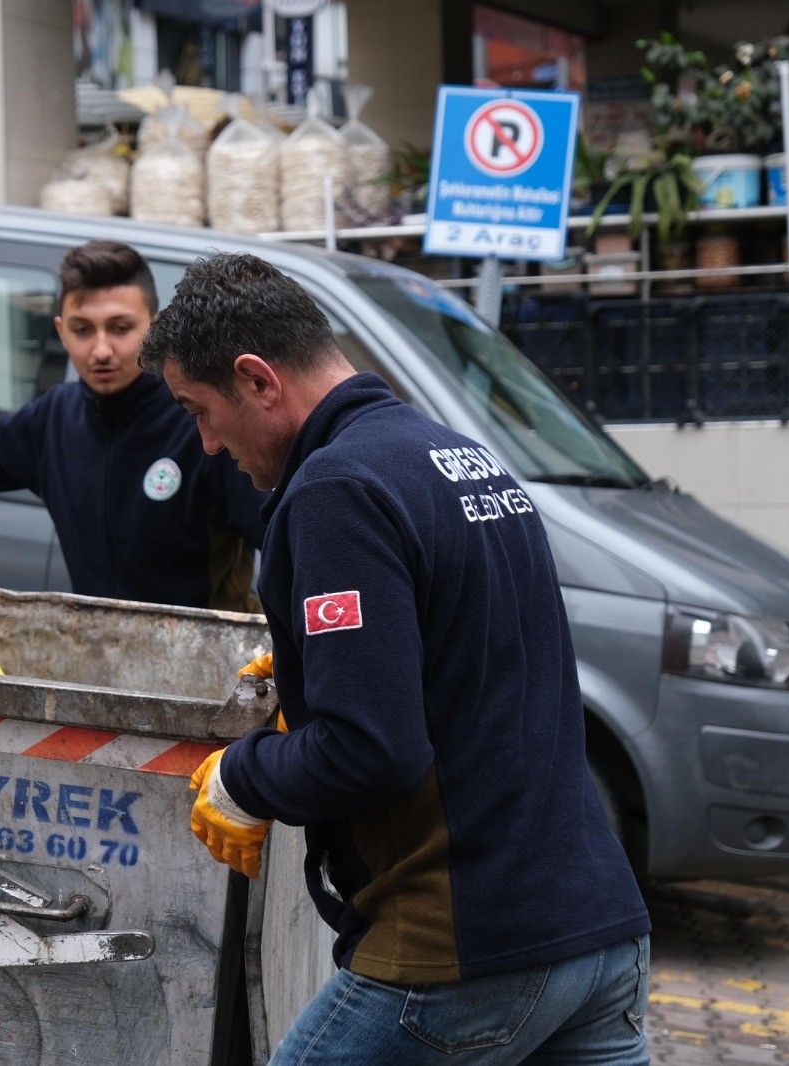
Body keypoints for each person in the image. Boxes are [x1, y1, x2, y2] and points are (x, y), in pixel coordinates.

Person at [141, 252, 651, 1064]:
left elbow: (370, 749)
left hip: (465, 954)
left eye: (200, 410)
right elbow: (474, 653)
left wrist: (245, 776)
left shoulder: (335, 491)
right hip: (597, 935)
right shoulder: (456, 457)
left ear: (257, 379)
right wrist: (313, 667)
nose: (205, 443)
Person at [0, 240, 266, 611]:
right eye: (82, 329)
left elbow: (283, 539)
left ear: (154, 326)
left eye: (119, 328)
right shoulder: (54, 418)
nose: (100, 349)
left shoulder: (201, 421)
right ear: (60, 330)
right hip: (100, 670)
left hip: (215, 667)